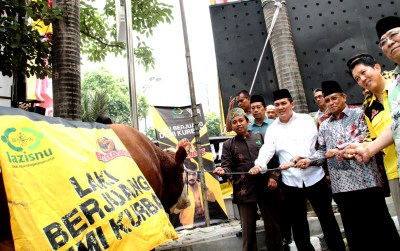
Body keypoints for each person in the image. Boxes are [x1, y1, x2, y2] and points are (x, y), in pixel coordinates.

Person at [298, 80, 400, 250]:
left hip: (366, 181)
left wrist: (338, 150)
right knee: (354, 231)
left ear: (343, 97)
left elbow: (367, 138)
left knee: (380, 226)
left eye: (334, 98)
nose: (330, 103)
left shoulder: (360, 114)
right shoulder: (324, 125)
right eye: (327, 100)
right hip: (341, 186)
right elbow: (322, 150)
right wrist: (309, 160)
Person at [248, 89, 345, 251]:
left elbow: (310, 146)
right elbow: (267, 150)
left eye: (284, 103)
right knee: (298, 225)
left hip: (315, 178)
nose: (280, 107)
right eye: (277, 104)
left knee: (327, 218)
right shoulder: (273, 129)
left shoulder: (305, 120)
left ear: (292, 104)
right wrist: (259, 165)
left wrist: (294, 160)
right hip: (291, 182)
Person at [214, 108, 283, 251]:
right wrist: (222, 171)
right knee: (247, 229)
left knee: (272, 226)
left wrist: (273, 177)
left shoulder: (261, 137)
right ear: (231, 126)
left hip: (266, 187)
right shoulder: (228, 145)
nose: (238, 124)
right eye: (234, 122)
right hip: (244, 190)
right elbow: (227, 166)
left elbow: (274, 161)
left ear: (247, 121)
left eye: (241, 120)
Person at [347, 53, 399, 224]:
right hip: (394, 170)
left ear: (377, 68)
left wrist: (370, 148)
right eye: (357, 78)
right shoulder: (368, 108)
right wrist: (357, 147)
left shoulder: (397, 87)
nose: (362, 79)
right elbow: (375, 138)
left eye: (363, 72)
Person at [174, 160, 218, 229]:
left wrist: (207, 190)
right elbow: (175, 211)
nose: (191, 177)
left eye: (194, 174)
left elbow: (212, 199)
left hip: (204, 221)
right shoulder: (181, 189)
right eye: (189, 174)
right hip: (188, 224)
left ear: (197, 174)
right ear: (185, 175)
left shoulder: (201, 186)